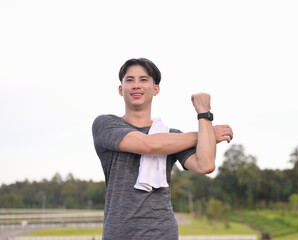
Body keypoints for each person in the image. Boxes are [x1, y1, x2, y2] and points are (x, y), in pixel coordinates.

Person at [92, 58, 233, 239]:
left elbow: (205, 164)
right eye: (129, 80)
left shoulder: (173, 136)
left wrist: (204, 114)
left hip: (163, 233)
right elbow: (148, 145)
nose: (136, 85)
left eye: (143, 80)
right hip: (119, 234)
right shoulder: (105, 124)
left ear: (155, 89)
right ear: (121, 89)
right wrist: (207, 135)